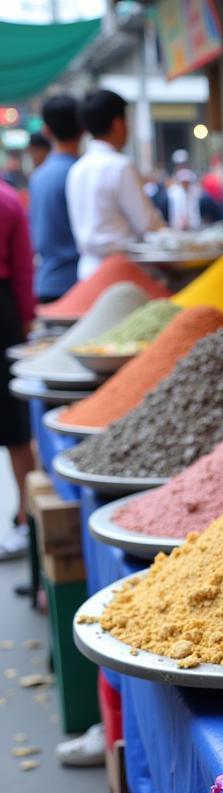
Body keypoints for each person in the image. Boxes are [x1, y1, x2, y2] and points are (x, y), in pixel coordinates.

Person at [66, 89, 165, 279]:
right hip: (119, 271)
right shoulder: (120, 166)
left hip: (87, 271)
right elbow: (147, 225)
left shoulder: (77, 169)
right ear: (118, 124)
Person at [0, 179, 36, 559]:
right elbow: (24, 269)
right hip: (3, 313)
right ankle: (27, 520)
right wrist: (26, 319)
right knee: (14, 427)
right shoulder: (8, 200)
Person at [28, 95, 82, 303]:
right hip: (77, 286)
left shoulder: (38, 177)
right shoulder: (78, 172)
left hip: (46, 282)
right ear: (83, 127)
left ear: (46, 130)